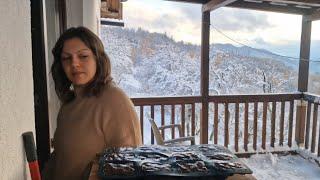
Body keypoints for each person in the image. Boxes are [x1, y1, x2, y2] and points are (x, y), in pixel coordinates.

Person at [42, 26, 142, 180]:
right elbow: (61, 157)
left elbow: (129, 166)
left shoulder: (115, 101)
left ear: (98, 59)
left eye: (83, 56)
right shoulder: (69, 104)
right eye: (66, 58)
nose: (74, 63)